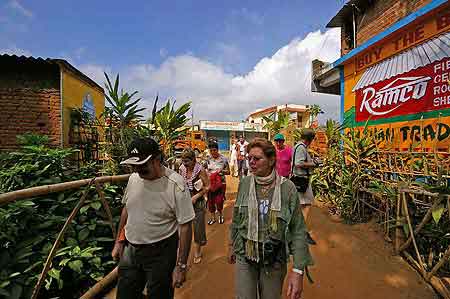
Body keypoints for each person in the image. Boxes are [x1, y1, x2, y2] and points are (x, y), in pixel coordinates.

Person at [227, 138, 313, 299]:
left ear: (271, 160)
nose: (251, 162)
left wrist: (298, 270)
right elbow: (237, 217)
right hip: (245, 255)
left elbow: (298, 230)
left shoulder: (287, 189)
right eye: (249, 158)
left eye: (257, 158)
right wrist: (231, 244)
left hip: (274, 259)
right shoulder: (245, 183)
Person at [111, 137, 195, 299]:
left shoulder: (176, 185)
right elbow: (127, 209)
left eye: (143, 166)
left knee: (159, 294)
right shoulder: (134, 178)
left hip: (161, 252)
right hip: (131, 251)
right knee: (125, 294)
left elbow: (185, 226)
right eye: (134, 166)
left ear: (158, 160)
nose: (138, 170)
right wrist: (119, 241)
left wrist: (181, 266)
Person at [179, 148, 210, 264]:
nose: (184, 164)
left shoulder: (200, 170)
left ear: (193, 160)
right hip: (185, 200)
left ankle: (197, 251)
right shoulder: (182, 168)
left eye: (187, 161)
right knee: (184, 226)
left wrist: (196, 197)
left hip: (198, 201)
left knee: (198, 227)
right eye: (183, 161)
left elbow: (207, 186)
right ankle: (183, 252)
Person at [292, 128, 319, 245]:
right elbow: (299, 163)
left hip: (299, 179)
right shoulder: (301, 148)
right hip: (301, 180)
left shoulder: (298, 147)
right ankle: (301, 232)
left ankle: (297, 230)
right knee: (306, 205)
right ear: (309, 139)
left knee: (301, 206)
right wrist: (314, 164)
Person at [205, 140, 230, 225]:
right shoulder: (208, 159)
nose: (213, 152)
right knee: (211, 202)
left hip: (221, 184)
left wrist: (221, 172)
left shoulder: (223, 159)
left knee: (219, 201)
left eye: (214, 150)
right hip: (210, 184)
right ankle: (212, 218)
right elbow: (203, 170)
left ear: (217, 150)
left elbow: (228, 172)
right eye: (211, 150)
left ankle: (220, 216)